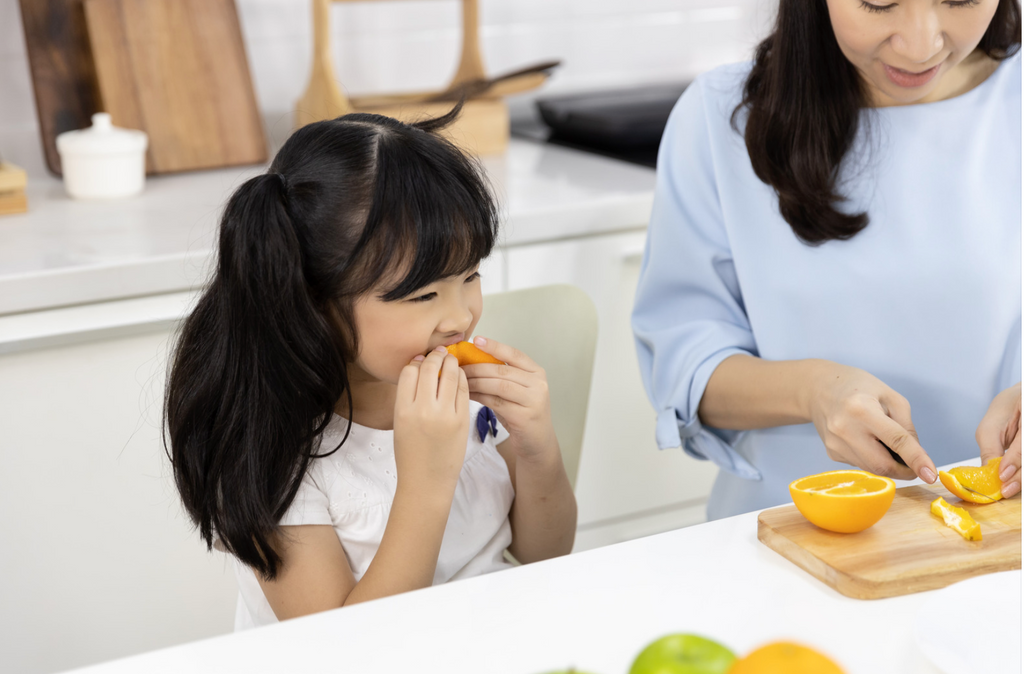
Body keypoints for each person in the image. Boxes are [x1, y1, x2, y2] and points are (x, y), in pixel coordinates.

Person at [164, 109, 576, 629]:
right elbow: (348, 652)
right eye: (423, 294)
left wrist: (538, 446)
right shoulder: (274, 454)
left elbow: (547, 556)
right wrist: (426, 481)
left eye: (470, 276)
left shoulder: (464, 394)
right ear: (313, 301)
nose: (460, 317)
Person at [633, 0, 1022, 520]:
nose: (921, 42)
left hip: (1001, 538)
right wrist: (815, 392)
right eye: (880, 2)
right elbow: (686, 368)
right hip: (787, 541)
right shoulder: (717, 115)